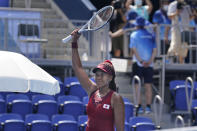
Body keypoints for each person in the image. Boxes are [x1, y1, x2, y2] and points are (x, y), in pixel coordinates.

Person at [70, 29, 125, 131]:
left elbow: (120, 129)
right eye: (97, 75)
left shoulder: (116, 98)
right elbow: (77, 67)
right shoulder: (93, 90)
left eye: (102, 75)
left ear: (110, 77)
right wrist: (74, 43)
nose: (98, 77)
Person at [129, 16, 157, 114]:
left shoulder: (133, 35)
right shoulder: (151, 35)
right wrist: (149, 61)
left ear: (136, 25)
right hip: (150, 64)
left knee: (137, 86)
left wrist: (141, 61)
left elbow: (134, 49)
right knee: (148, 85)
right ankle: (148, 107)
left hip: (138, 64)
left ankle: (139, 106)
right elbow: (154, 51)